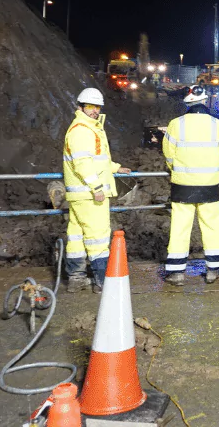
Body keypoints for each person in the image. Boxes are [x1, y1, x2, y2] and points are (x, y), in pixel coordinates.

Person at [62, 88, 131, 293]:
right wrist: (97, 187)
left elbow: (98, 160)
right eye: (90, 107)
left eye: (97, 107)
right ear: (80, 107)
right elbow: (83, 163)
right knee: (98, 236)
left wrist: (116, 168)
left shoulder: (89, 128)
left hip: (80, 194)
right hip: (90, 194)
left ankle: (76, 278)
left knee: (76, 234)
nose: (94, 110)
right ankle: (102, 282)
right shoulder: (82, 130)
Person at [162, 85, 219, 285]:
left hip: (182, 184)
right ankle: (214, 269)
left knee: (179, 227)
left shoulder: (176, 124)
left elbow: (168, 153)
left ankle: (176, 272)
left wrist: (175, 167)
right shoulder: (217, 124)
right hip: (209, 184)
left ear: (188, 103)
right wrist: (214, 165)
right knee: (211, 226)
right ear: (205, 102)